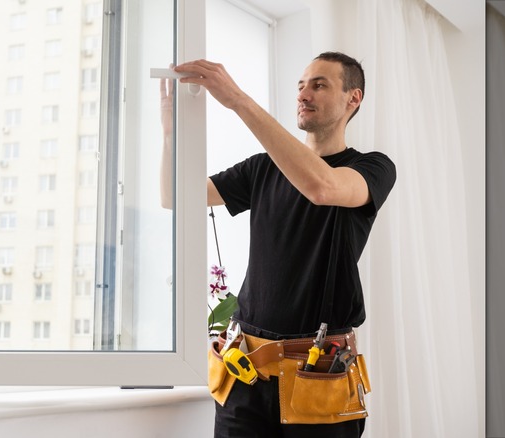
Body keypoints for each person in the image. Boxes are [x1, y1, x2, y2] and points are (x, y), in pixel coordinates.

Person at [160, 52, 396, 437]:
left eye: (319, 85)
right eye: (301, 85)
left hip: (318, 377)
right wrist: (171, 134)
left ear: (354, 98)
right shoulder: (262, 167)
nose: (304, 94)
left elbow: (323, 188)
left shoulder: (372, 167)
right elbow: (174, 196)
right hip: (245, 373)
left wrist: (238, 100)